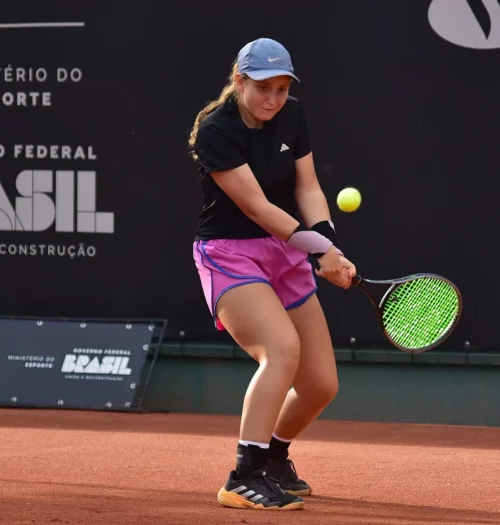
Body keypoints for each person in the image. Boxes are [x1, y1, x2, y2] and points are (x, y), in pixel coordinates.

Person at [187, 37, 356, 511]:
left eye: (282, 89)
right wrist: (319, 249)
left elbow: (309, 187)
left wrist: (328, 243)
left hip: (284, 252)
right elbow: (258, 208)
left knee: (320, 385)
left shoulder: (291, 114)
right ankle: (244, 476)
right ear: (239, 81)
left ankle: (275, 459)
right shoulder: (216, 131)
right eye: (263, 88)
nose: (273, 99)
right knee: (280, 350)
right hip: (230, 254)